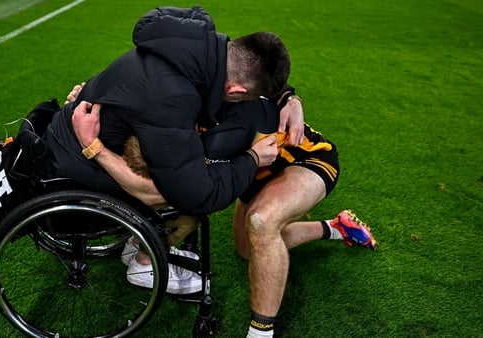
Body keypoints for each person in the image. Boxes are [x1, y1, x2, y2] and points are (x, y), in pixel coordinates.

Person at [68, 89, 377, 337]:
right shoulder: (173, 111)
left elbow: (262, 75)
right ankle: (336, 227)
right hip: (253, 171)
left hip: (305, 161)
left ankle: (261, 332)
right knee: (248, 250)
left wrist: (291, 98)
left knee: (262, 221)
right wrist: (89, 96)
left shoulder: (212, 112)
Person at [42, 5, 292, 294]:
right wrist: (252, 159)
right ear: (235, 91)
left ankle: (139, 243)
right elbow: (199, 195)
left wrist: (288, 98)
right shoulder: (171, 98)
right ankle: (144, 263)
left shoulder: (193, 45)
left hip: (67, 139)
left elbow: (251, 67)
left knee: (191, 163)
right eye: (243, 98)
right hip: (75, 169)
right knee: (189, 189)